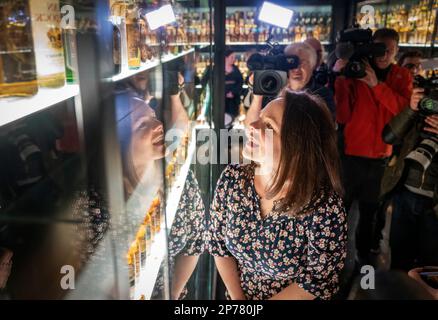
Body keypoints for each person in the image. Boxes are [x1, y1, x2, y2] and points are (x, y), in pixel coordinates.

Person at [207, 90, 347, 300]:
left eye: (269, 126)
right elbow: (218, 244)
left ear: (297, 146)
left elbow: (318, 280)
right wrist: (238, 299)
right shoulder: (233, 179)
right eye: (259, 118)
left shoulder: (324, 207)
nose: (252, 126)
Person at [334, 28, 412, 264]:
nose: (383, 54)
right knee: (341, 211)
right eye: (379, 47)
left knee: (369, 213)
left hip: (380, 156)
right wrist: (343, 79)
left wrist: (376, 84)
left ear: (397, 50)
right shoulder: (356, 71)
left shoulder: (402, 76)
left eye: (389, 49)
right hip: (351, 154)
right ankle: (332, 254)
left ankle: (362, 258)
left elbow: (403, 112)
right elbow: (343, 116)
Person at [380, 87, 438, 271]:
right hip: (404, 194)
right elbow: (388, 136)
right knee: (399, 258)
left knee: (429, 267)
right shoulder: (423, 107)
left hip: (434, 206)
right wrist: (411, 109)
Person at [245, 42, 336, 126]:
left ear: (312, 66)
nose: (296, 68)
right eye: (291, 62)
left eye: (303, 63)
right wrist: (257, 98)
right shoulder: (271, 88)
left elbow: (321, 129)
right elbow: (251, 129)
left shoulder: (322, 95)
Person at [225, 49, 244, 123]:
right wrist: (224, 93)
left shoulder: (236, 69)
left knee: (232, 119)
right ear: (225, 58)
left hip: (233, 99)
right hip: (220, 100)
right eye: (232, 57)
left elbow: (240, 83)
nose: (234, 59)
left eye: (234, 57)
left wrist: (232, 93)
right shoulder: (218, 69)